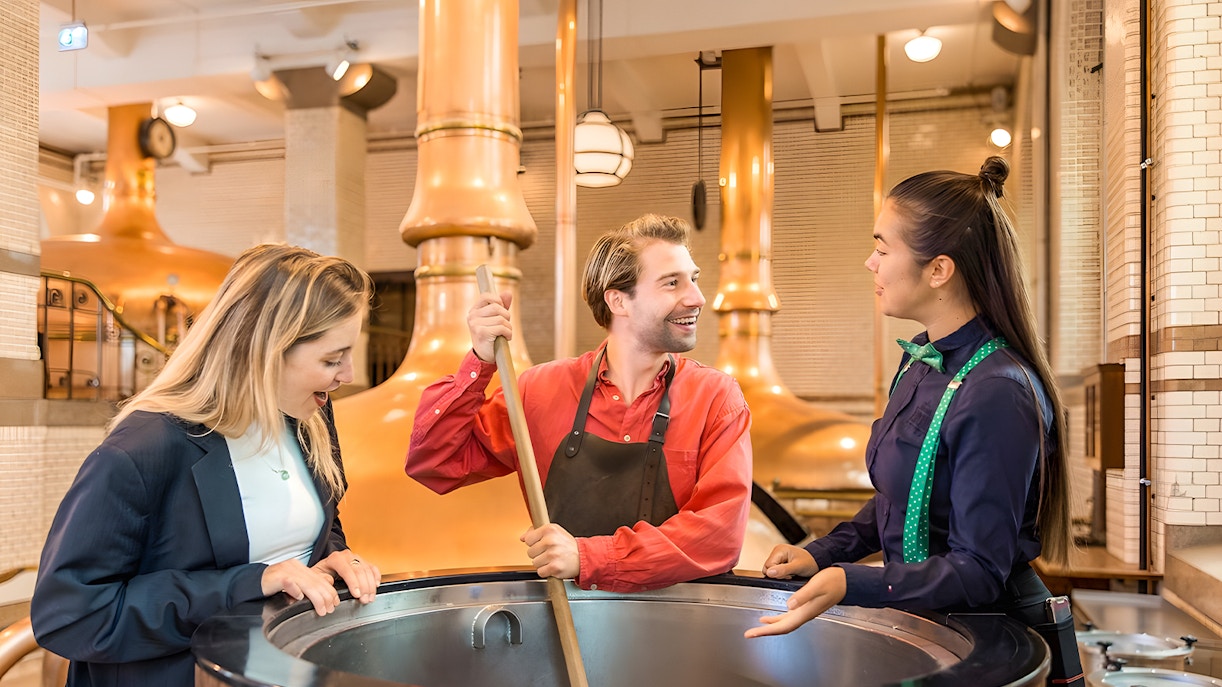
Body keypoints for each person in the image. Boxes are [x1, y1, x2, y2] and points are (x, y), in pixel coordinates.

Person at [745, 157, 1084, 686]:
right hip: (930, 624)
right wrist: (821, 554)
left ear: (939, 270)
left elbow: (979, 570)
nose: (870, 263)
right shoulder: (920, 360)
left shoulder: (997, 390)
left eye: (882, 249)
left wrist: (854, 582)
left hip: (993, 641)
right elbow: (900, 499)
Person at [31, 244, 383, 687]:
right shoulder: (146, 447)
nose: (347, 374)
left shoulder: (310, 421)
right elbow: (70, 615)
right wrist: (247, 584)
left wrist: (332, 558)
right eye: (332, 359)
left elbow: (313, 529)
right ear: (263, 350)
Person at [407, 214, 752, 593]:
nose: (697, 298)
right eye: (672, 283)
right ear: (618, 301)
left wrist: (590, 557)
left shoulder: (716, 397)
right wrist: (479, 360)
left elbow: (718, 534)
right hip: (570, 615)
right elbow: (436, 463)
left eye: (693, 279)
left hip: (679, 621)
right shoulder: (539, 390)